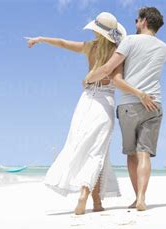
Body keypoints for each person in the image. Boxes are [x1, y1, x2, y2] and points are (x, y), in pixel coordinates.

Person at [25, 12, 153, 215]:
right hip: (105, 102)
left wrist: (40, 39)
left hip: (85, 101)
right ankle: (85, 194)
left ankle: (97, 202)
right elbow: (119, 80)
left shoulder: (89, 47)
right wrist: (140, 93)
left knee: (81, 145)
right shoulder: (118, 53)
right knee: (97, 152)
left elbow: (63, 43)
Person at [84, 7, 166, 211]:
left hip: (129, 104)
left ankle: (136, 198)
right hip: (154, 103)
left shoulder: (129, 41)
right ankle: (141, 198)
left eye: (137, 20)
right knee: (144, 153)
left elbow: (108, 70)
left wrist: (88, 79)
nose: (135, 23)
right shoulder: (165, 47)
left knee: (131, 154)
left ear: (144, 21)